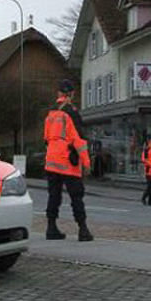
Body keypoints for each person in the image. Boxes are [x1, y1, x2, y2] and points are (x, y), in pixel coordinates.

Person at [43, 79, 94, 242]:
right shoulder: (71, 112)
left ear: (58, 93)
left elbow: (46, 138)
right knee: (76, 196)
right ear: (71, 94)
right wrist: (86, 163)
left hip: (51, 160)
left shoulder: (50, 113)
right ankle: (83, 229)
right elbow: (79, 140)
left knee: (54, 195)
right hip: (67, 162)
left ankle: (51, 228)